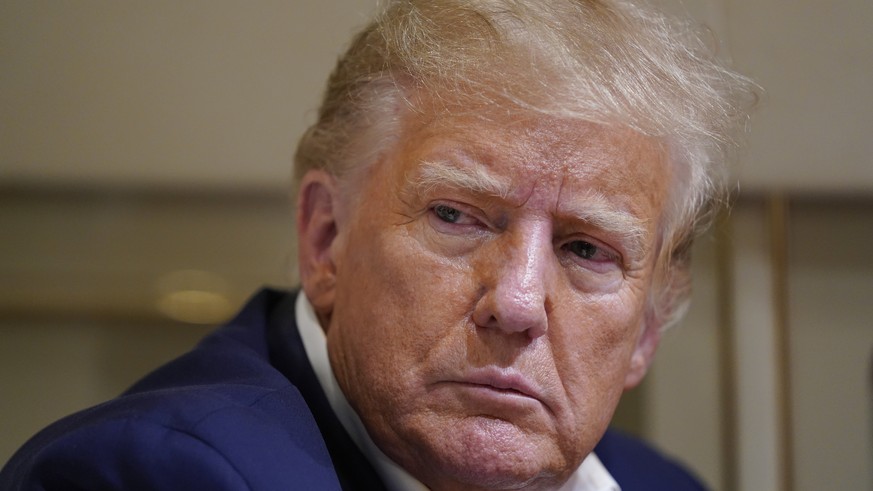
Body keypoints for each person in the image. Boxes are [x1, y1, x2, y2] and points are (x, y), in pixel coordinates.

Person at [1, 0, 755, 490]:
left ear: (647, 331)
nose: (519, 302)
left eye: (587, 250)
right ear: (325, 239)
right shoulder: (157, 475)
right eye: (457, 215)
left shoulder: (661, 484)